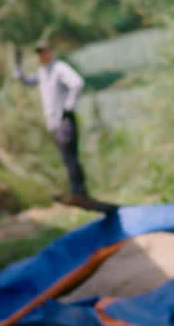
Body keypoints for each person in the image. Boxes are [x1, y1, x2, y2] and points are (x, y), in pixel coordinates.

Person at [15, 40, 114, 212]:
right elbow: (28, 81)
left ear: (50, 52)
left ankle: (79, 192)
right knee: (67, 157)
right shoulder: (43, 72)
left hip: (64, 120)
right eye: (39, 53)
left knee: (71, 157)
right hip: (55, 122)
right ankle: (77, 191)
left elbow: (77, 83)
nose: (42, 55)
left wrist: (68, 106)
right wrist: (18, 70)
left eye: (44, 51)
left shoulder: (59, 68)